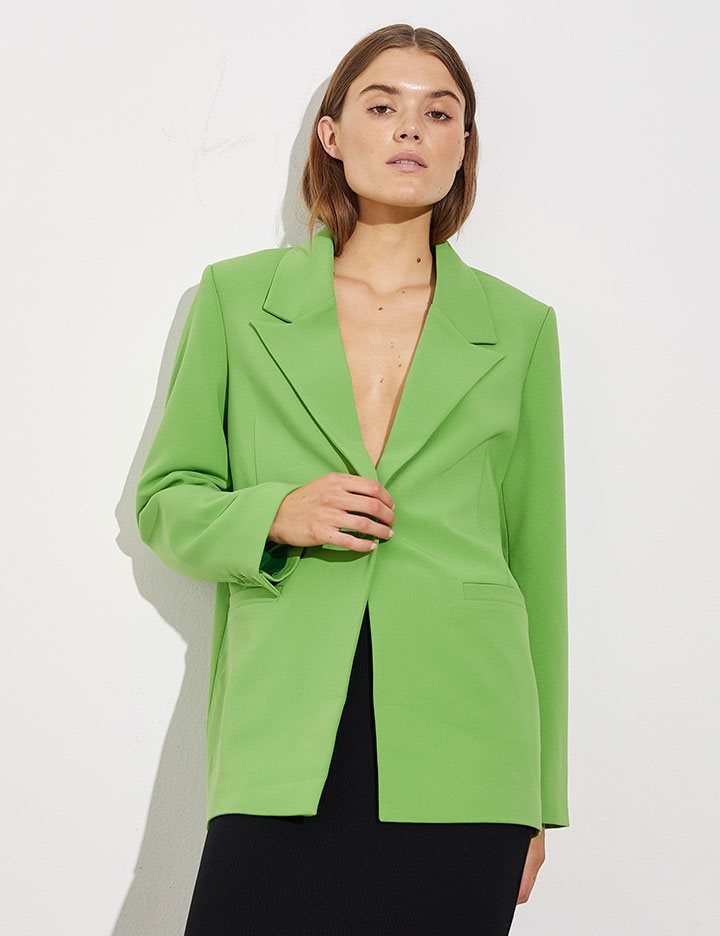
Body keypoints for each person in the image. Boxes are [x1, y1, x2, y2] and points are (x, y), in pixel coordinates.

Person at [136, 23, 570, 936]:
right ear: (332, 134)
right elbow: (166, 500)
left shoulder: (520, 328)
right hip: (285, 723)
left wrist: (540, 795)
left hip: (470, 744)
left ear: (463, 145)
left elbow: (538, 565)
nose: (410, 128)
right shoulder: (237, 300)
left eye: (438, 113)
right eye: (382, 105)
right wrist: (276, 513)